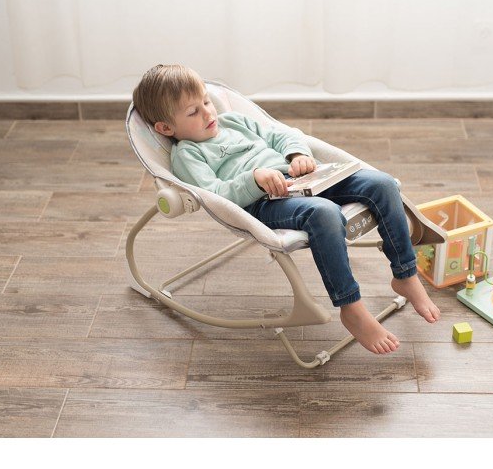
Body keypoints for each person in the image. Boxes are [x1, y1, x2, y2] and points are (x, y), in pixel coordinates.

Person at [132, 64, 441, 355]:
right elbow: (215, 195)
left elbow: (280, 133)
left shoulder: (233, 121)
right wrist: (254, 180)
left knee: (382, 184)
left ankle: (405, 274)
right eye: (193, 111)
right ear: (165, 127)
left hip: (305, 179)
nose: (207, 112)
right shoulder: (187, 155)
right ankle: (352, 307)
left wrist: (297, 154)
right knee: (324, 213)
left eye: (206, 102)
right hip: (264, 202)